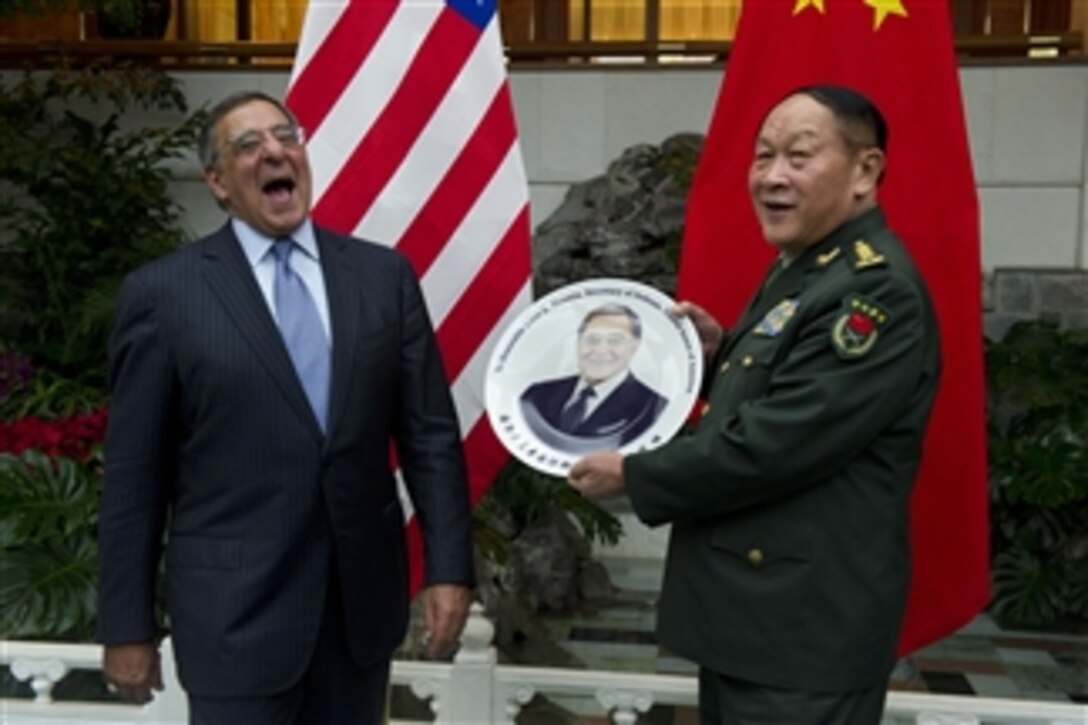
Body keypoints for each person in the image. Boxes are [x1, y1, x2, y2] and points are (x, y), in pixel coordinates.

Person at [96, 90, 475, 724]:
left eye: (286, 136)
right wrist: (126, 625)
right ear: (218, 183)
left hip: (358, 620)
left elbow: (430, 437)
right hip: (235, 621)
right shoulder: (164, 295)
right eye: (249, 146)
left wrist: (449, 570)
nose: (274, 150)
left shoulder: (383, 278)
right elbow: (135, 475)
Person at [568, 85, 941, 723]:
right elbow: (783, 391)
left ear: (865, 170)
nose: (772, 176)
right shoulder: (808, 269)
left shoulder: (875, 293)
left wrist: (635, 475)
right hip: (759, 622)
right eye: (762, 155)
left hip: (803, 633)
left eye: (799, 157)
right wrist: (716, 360)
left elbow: (778, 444)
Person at [519, 303, 668, 455]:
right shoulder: (536, 395)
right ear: (578, 343)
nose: (601, 350)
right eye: (592, 339)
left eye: (615, 341)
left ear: (633, 348)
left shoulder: (655, 407)